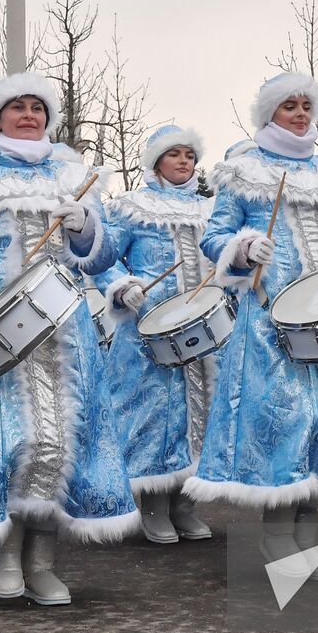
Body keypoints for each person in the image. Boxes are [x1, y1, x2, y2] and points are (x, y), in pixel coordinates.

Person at [0, 72, 136, 606]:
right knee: (10, 442)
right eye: (19, 107)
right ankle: (4, 554)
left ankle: (42, 561)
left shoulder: (72, 175)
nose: (30, 114)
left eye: (38, 107)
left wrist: (84, 226)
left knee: (61, 443)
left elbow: (101, 259)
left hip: (65, 336)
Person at [183, 72, 318, 579]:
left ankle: (307, 540)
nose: (301, 113)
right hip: (271, 323)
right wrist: (241, 247)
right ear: (269, 114)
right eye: (289, 106)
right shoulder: (242, 173)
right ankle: (278, 538)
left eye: (306, 105)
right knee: (286, 423)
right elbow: (214, 238)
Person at [95, 125, 216, 544]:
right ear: (156, 161)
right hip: (147, 328)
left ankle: (186, 502)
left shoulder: (211, 210)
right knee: (151, 414)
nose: (184, 161)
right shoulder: (132, 207)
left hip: (202, 332)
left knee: (199, 413)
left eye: (190, 154)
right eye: (175, 154)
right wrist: (121, 287)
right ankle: (151, 503)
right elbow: (102, 257)